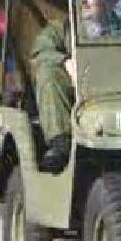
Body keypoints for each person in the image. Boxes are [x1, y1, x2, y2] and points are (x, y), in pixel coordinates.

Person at [31, 18, 75, 173]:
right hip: (76, 87)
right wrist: (65, 61)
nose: (85, 5)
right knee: (48, 73)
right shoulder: (63, 28)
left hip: (116, 88)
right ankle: (60, 141)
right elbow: (41, 53)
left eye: (92, 4)